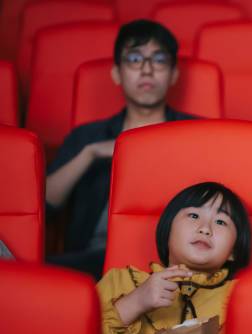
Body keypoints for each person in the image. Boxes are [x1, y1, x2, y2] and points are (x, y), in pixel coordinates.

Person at [45, 20, 196, 279]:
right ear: (116, 73)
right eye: (135, 59)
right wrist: (89, 154)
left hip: (175, 262)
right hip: (98, 262)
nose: (147, 70)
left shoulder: (198, 134)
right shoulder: (87, 137)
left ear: (173, 74)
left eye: (158, 59)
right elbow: (44, 205)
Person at [97, 182, 252, 334]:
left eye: (220, 221)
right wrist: (135, 303)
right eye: (193, 216)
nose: (205, 228)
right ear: (167, 230)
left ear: (234, 251)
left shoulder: (243, 296)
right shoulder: (122, 281)